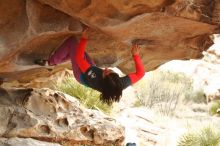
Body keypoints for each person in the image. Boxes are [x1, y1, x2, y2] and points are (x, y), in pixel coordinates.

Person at [35, 28, 145, 105]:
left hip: (82, 75)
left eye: (105, 72)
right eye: (110, 71)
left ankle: (50, 62)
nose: (106, 69)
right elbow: (140, 74)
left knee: (73, 42)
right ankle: (56, 61)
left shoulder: (93, 76)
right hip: (92, 71)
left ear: (102, 78)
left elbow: (79, 59)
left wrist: (84, 39)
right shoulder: (120, 83)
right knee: (79, 52)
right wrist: (136, 56)